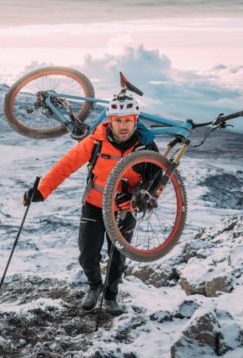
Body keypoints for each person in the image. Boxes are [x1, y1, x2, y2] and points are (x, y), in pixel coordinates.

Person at [23, 94, 158, 315]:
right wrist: (41, 190)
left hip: (125, 210)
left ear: (136, 121)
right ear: (110, 120)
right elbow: (66, 165)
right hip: (95, 205)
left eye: (128, 121)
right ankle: (94, 286)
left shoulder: (146, 147)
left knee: (117, 257)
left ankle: (111, 295)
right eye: (118, 120)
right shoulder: (96, 141)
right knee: (87, 254)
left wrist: (142, 200)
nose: (123, 126)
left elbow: (156, 182)